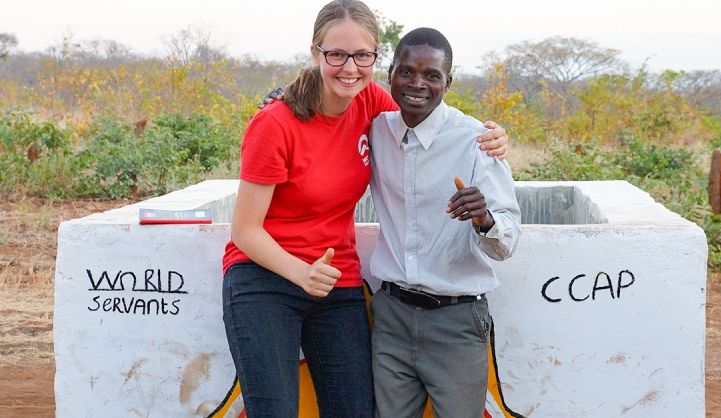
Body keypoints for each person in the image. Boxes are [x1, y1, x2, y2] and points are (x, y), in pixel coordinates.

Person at [221, 2, 509, 417]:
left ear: (376, 58)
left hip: (336, 281)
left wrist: (492, 136)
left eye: (362, 56)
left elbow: (432, 116)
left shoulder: (370, 100)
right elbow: (245, 230)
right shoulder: (275, 124)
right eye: (336, 54)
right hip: (265, 279)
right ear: (315, 53)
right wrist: (301, 272)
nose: (349, 68)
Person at [367, 27, 522, 418]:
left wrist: (483, 218)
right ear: (391, 74)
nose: (418, 83)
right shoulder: (376, 130)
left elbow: (506, 242)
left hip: (456, 322)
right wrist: (284, 97)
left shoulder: (476, 141)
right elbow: (326, 103)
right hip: (391, 316)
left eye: (432, 75)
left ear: (447, 82)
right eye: (407, 71)